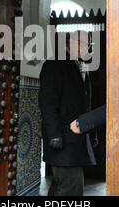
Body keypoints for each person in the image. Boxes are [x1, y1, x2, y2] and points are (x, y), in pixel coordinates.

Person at [38, 30, 106, 196]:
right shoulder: (54, 64)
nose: (85, 47)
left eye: (87, 44)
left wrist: (91, 133)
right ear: (68, 42)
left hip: (76, 139)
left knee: (61, 185)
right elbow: (47, 103)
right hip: (61, 139)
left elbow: (85, 104)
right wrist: (54, 135)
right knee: (72, 187)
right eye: (81, 43)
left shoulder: (81, 66)